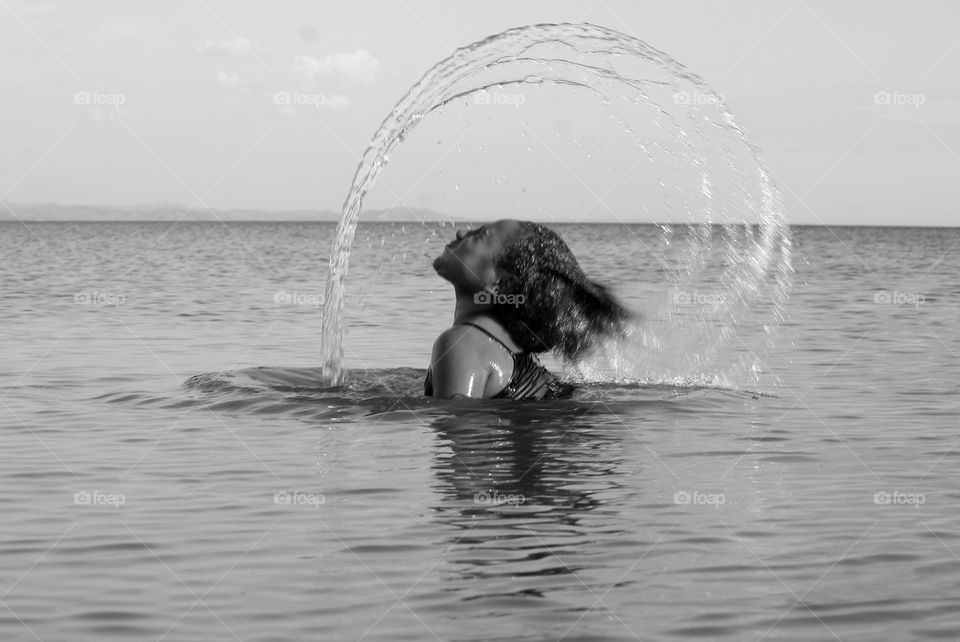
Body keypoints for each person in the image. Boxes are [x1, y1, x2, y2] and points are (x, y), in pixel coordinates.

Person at [424, 219, 632, 400]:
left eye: (480, 236)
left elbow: (460, 430)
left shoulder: (462, 345)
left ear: (496, 283)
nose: (461, 233)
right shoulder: (518, 355)